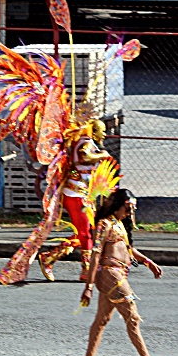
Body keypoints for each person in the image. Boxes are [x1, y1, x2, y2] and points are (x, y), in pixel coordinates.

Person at [78, 188, 167, 356]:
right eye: (127, 208)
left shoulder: (118, 224)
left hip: (117, 274)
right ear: (117, 205)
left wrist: (148, 262)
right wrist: (89, 286)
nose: (130, 212)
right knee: (132, 317)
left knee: (102, 319)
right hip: (111, 274)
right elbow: (95, 256)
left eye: (131, 209)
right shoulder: (104, 225)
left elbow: (128, 250)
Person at [38, 118, 113, 283]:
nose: (105, 134)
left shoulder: (86, 142)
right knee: (86, 234)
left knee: (90, 231)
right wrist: (102, 155)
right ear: (93, 131)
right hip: (75, 194)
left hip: (83, 194)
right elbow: (83, 158)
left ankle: (49, 257)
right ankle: (86, 271)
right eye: (102, 130)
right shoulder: (85, 142)